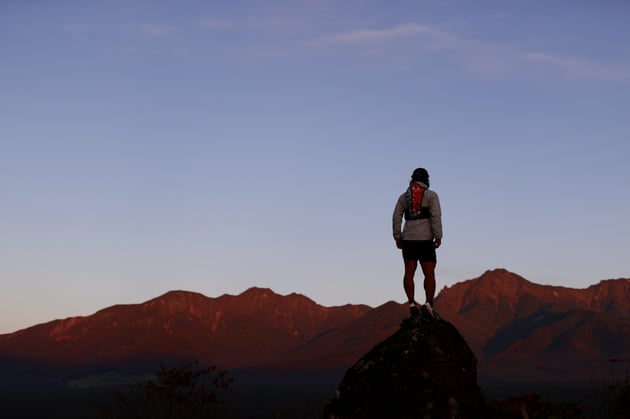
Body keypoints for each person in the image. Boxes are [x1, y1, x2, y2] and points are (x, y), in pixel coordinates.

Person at [392, 168, 443, 316]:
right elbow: (436, 217)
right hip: (426, 240)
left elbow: (396, 217)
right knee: (429, 274)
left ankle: (412, 303)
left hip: (408, 240)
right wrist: (438, 236)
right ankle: (429, 303)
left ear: (412, 179)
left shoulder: (403, 197)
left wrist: (398, 237)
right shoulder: (431, 196)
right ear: (427, 179)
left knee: (409, 272)